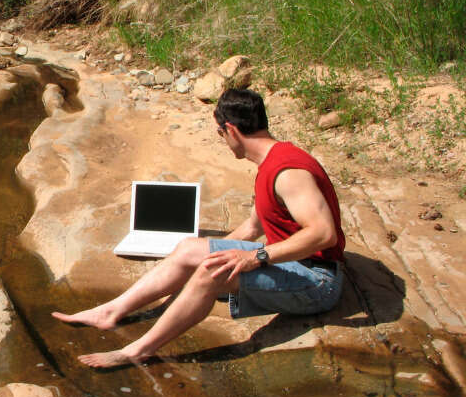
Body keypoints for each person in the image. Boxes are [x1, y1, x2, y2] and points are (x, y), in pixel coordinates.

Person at [53, 88, 346, 368]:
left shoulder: (288, 172)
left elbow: (323, 233)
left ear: (230, 130)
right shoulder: (271, 161)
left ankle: (138, 350)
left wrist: (253, 258)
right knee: (189, 248)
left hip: (317, 281)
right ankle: (110, 312)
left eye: (220, 134)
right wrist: (209, 253)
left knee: (210, 274)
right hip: (290, 262)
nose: (223, 141)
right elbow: (254, 225)